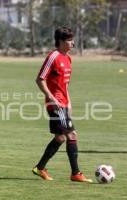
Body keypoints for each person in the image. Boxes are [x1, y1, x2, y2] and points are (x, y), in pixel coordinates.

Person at [32, 26, 92, 183]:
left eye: (73, 39)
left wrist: (69, 102)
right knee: (72, 134)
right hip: (55, 105)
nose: (73, 43)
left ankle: (40, 167)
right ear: (60, 41)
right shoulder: (53, 56)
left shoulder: (68, 59)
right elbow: (40, 79)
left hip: (64, 103)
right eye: (69, 40)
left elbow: (64, 85)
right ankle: (76, 173)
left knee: (60, 138)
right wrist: (52, 98)